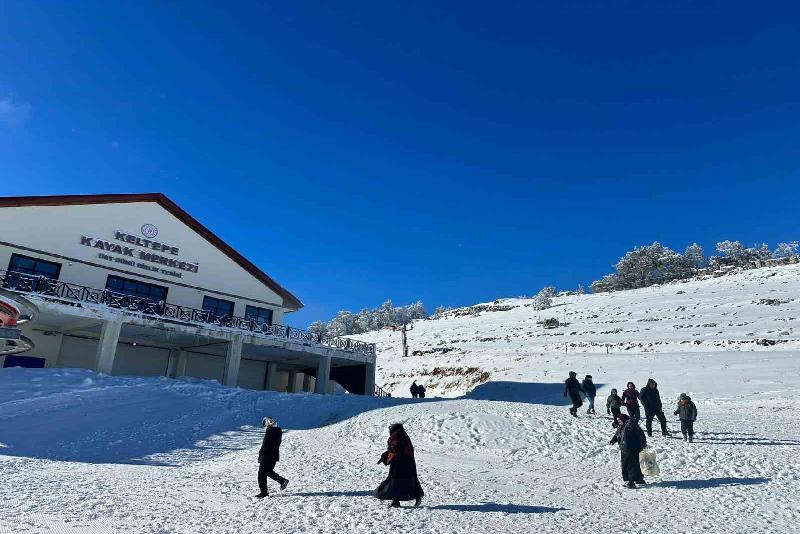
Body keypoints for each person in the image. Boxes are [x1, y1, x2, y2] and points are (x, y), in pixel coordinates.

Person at [374, 423, 424, 508]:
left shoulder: (395, 436)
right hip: (409, 462)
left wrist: (387, 456)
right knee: (410, 480)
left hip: (399, 463)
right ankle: (417, 496)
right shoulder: (405, 435)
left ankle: (395, 501)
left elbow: (395, 448)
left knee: (395, 482)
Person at [609, 413, 647, 489]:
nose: (619, 422)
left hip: (633, 448)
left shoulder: (631, 424)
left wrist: (643, 444)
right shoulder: (621, 426)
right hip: (625, 449)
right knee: (633, 464)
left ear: (624, 419)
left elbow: (640, 434)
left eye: (620, 420)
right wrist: (613, 440)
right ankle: (639, 479)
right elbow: (617, 435)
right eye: (618, 421)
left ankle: (631, 482)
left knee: (630, 465)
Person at [255, 417, 289, 499]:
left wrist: (261, 454)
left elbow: (265, 445)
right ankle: (282, 481)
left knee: (261, 474)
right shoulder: (277, 431)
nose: (265, 426)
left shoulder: (270, 431)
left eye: (265, 424)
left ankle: (264, 492)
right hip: (273, 456)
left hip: (267, 455)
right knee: (267, 471)